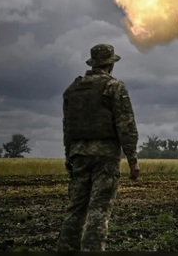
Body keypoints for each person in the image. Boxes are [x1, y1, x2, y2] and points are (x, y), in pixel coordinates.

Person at [57, 44, 140, 251]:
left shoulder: (72, 90)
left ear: (93, 63)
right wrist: (132, 160)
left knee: (75, 208)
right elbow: (126, 125)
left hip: (78, 155)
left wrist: (69, 156)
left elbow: (67, 127)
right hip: (105, 157)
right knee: (99, 209)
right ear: (110, 64)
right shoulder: (114, 87)